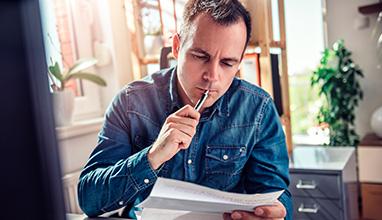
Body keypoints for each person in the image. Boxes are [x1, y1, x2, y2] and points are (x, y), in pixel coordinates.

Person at [78, 0, 291, 219]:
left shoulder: (259, 109)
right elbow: (88, 200)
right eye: (200, 57)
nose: (212, 76)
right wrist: (151, 156)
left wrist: (274, 213)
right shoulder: (131, 102)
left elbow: (276, 196)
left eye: (227, 63)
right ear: (177, 47)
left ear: (239, 63)